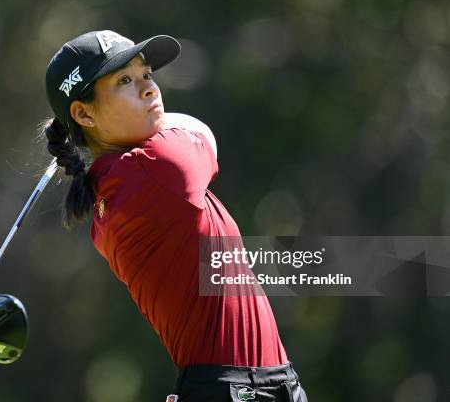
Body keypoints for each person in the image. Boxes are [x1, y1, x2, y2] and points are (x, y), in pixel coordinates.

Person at [43, 30, 308, 402]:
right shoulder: (156, 170)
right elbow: (201, 132)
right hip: (236, 390)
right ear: (84, 112)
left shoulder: (115, 187)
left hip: (254, 385)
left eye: (147, 75)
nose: (150, 90)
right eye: (124, 81)